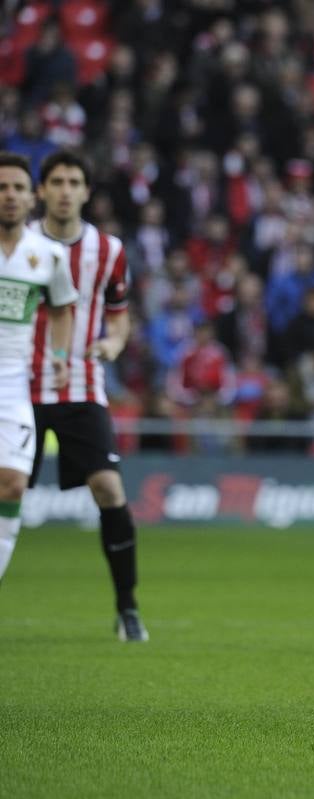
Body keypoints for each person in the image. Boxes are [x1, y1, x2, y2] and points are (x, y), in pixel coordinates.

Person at [29, 150, 147, 641]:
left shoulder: (109, 250)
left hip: (82, 387)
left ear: (85, 191)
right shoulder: (15, 244)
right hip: (15, 388)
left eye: (73, 181)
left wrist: (113, 343)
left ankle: (127, 608)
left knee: (110, 490)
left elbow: (118, 313)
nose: (63, 190)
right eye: (55, 181)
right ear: (41, 191)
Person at [0, 152, 75, 588]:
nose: (9, 196)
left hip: (12, 386)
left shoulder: (47, 256)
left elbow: (63, 309)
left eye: (17, 188)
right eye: (2, 188)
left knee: (12, 485)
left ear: (33, 198)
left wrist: (61, 359)